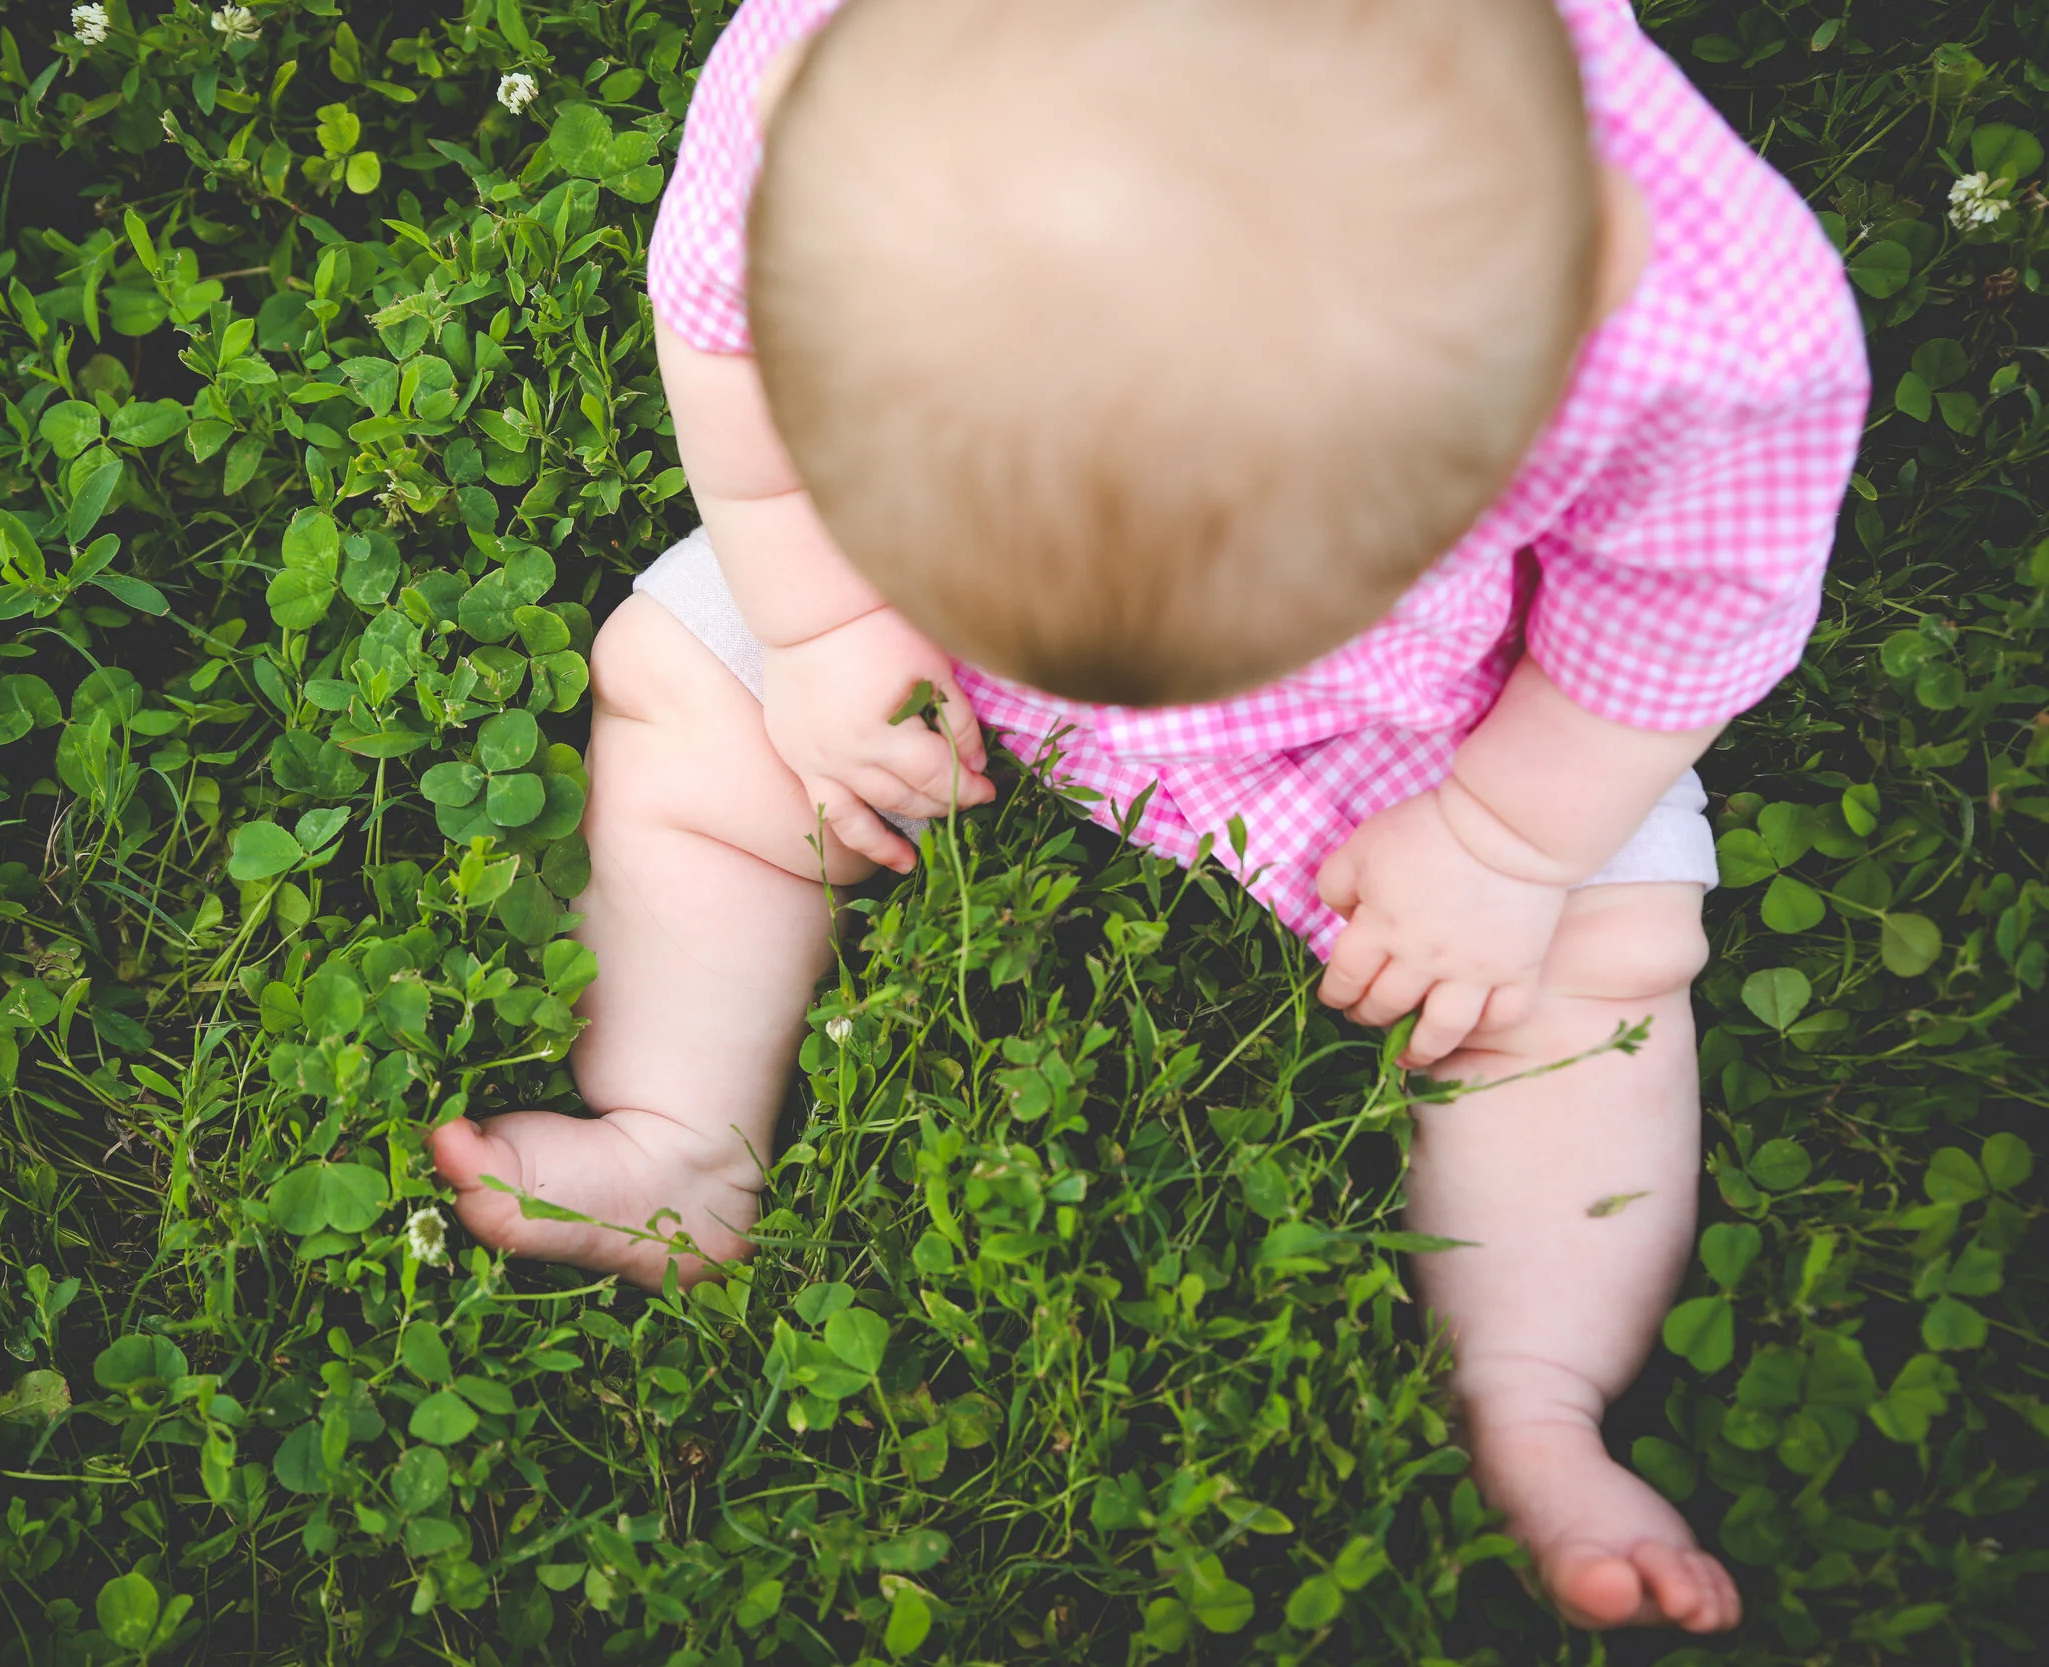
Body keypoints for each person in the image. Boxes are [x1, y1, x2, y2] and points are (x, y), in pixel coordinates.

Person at [432, 0, 1866, 1632]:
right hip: (906, 601)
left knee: (1591, 966)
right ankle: (677, 1135)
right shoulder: (833, 89)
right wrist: (825, 614)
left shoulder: (1701, 333)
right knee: (695, 684)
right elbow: (727, 337)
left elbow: (1675, 625)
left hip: (1434, 704)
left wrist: (1507, 841)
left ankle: (1538, 1396)